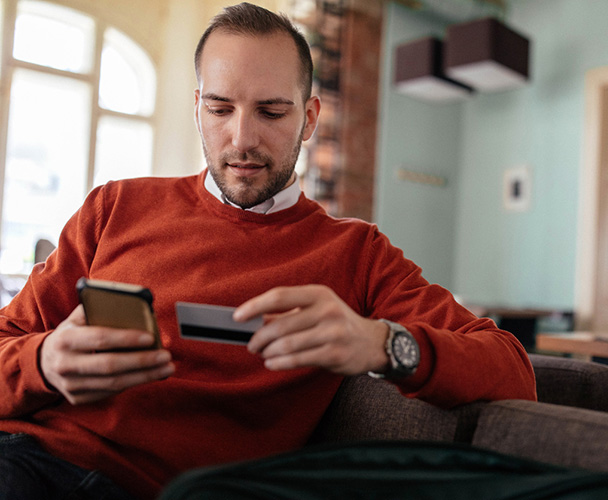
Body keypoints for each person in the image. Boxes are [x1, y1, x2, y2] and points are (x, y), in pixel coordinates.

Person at [0, 3, 536, 499]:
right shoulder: (115, 206)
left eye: (272, 113)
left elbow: (513, 370)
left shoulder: (356, 252)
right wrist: (43, 362)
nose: (241, 139)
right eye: (220, 108)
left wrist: (381, 343)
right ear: (197, 109)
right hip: (25, 456)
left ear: (308, 119)